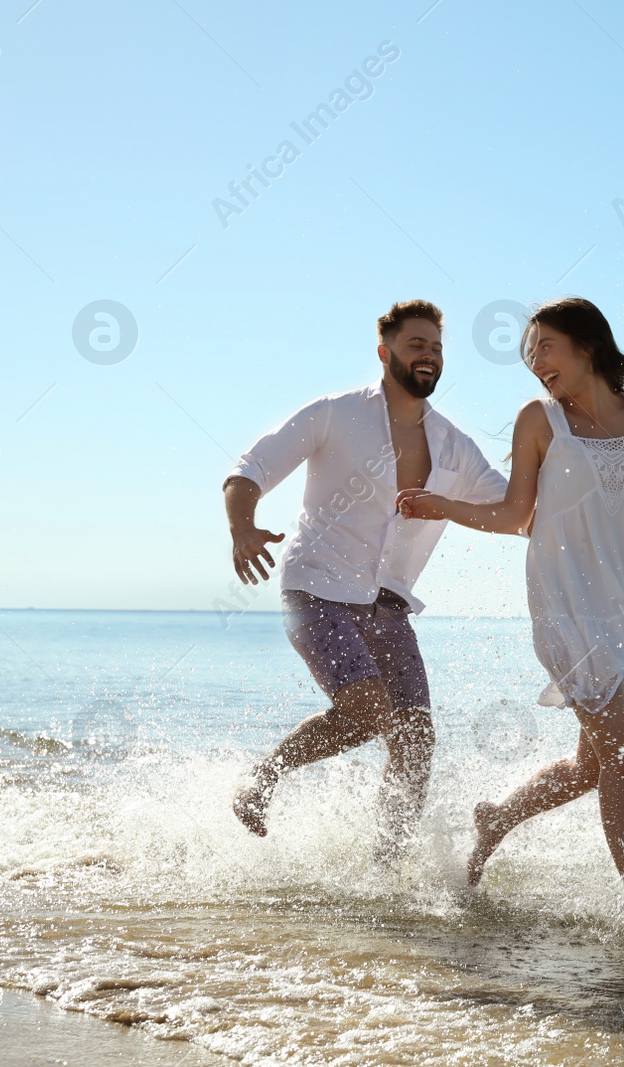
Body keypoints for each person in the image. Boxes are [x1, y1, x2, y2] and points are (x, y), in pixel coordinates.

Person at [394, 296, 624, 905]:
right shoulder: (540, 421)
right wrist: (443, 507)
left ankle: (497, 818)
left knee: (595, 766)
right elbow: (516, 514)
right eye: (531, 351)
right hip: (568, 604)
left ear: (586, 346)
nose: (536, 361)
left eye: (546, 346)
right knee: (623, 751)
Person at [223, 299, 507, 852]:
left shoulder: (455, 446)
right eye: (416, 345)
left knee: (416, 738)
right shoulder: (335, 414)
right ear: (385, 352)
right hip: (316, 589)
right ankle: (261, 780)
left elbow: (515, 510)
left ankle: (386, 864)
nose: (429, 356)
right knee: (368, 710)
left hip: (388, 605)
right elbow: (249, 468)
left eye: (437, 348)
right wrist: (243, 528)